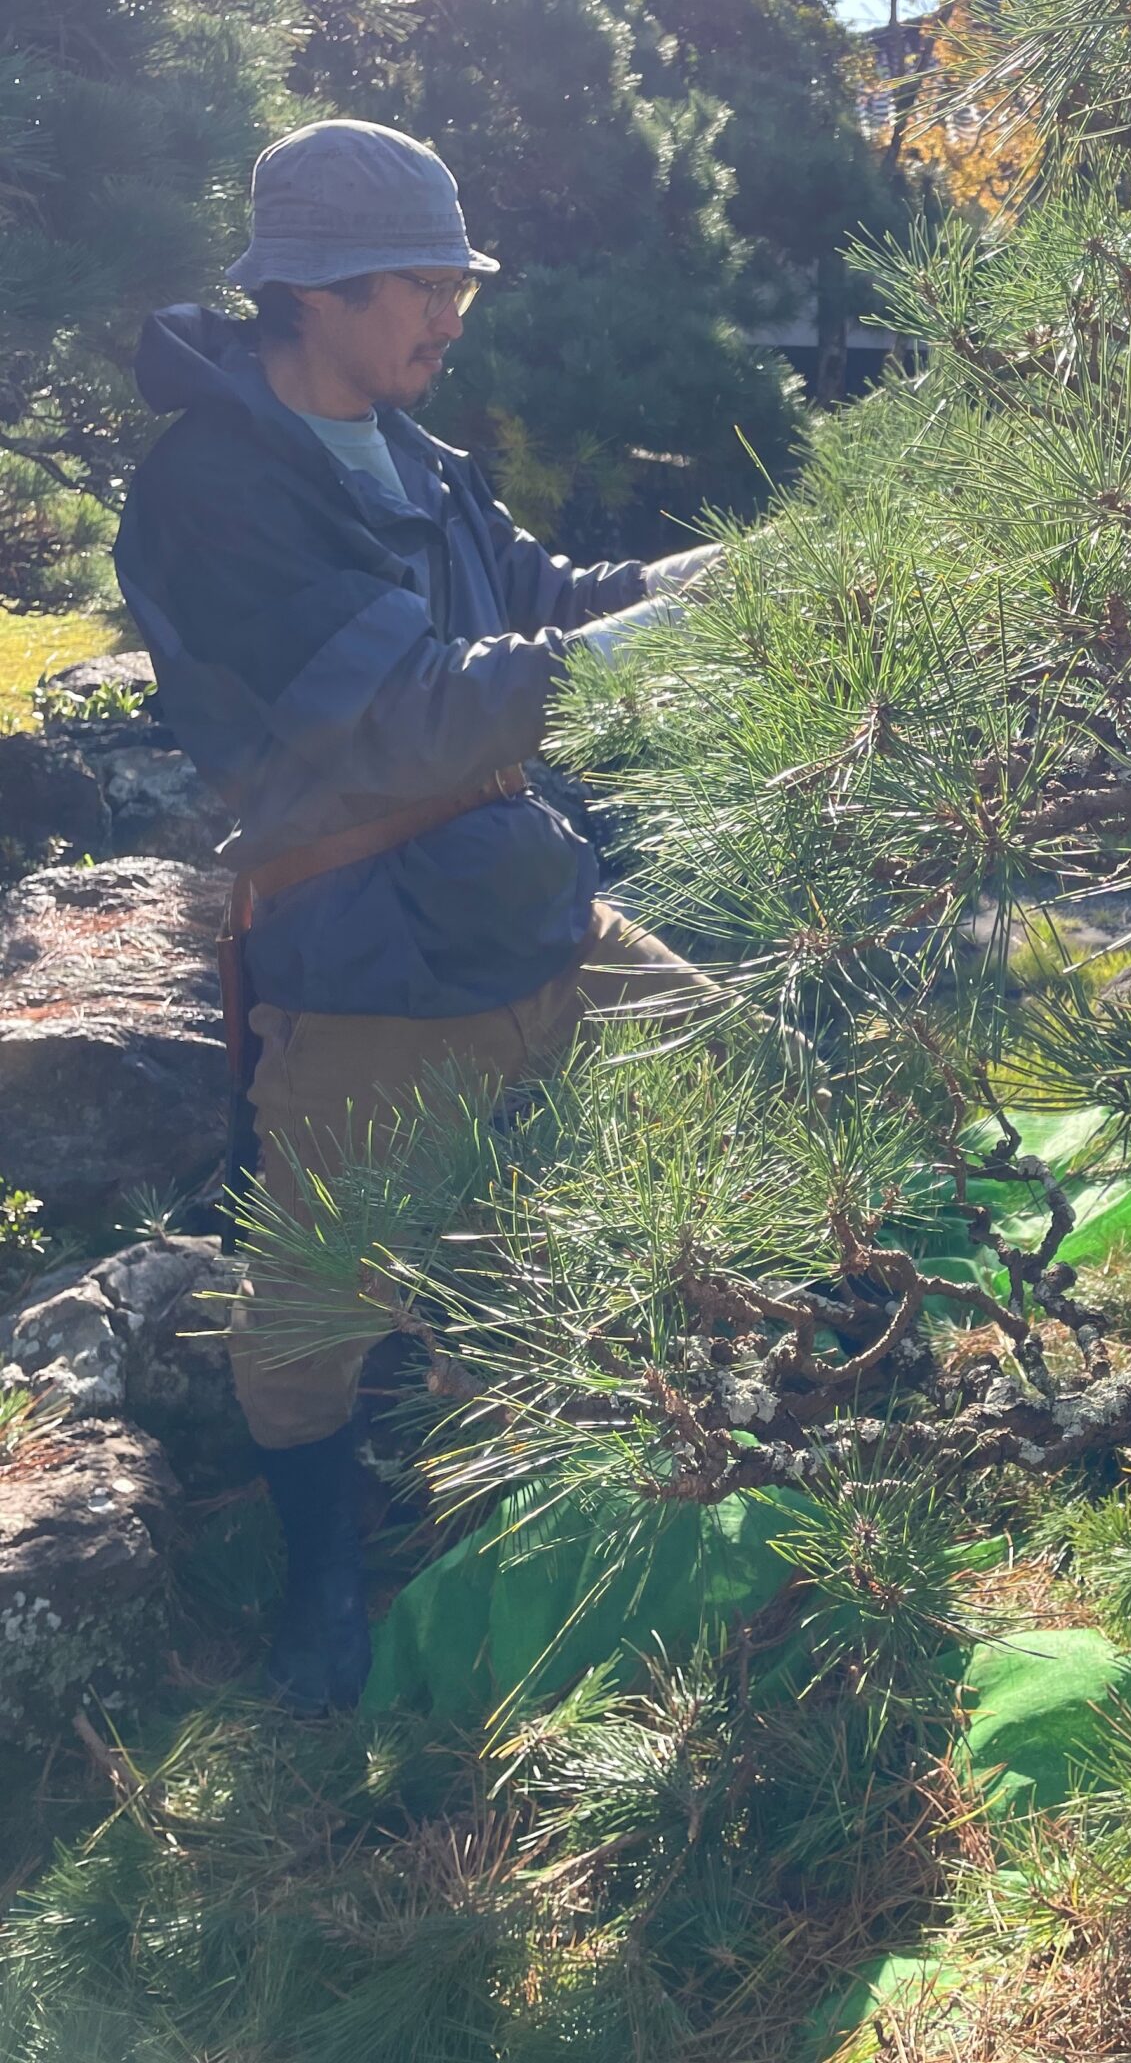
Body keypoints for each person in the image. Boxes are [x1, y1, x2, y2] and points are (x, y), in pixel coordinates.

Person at [115, 118, 723, 1713]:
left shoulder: (423, 463)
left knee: (724, 1062)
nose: (450, 314)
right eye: (417, 284)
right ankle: (321, 1572)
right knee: (314, 1302)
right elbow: (408, 716)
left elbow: (546, 602)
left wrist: (722, 581)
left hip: (520, 898)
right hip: (362, 944)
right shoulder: (210, 492)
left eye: (462, 280)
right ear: (309, 293)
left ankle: (707, 1406)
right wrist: (646, 651)